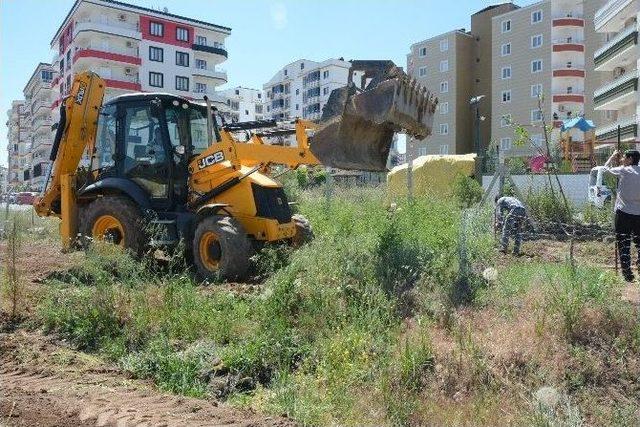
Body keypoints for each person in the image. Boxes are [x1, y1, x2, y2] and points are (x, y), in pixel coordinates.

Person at [605, 149, 640, 282]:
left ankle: (627, 274)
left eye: (624, 157)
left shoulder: (624, 170)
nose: (622, 159)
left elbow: (605, 169)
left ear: (630, 159)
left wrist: (612, 156)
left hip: (624, 213)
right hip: (639, 214)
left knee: (624, 243)